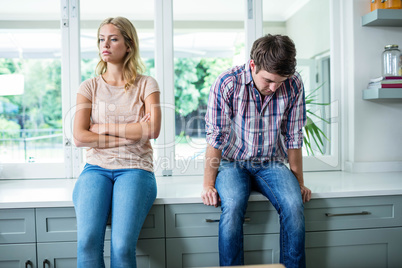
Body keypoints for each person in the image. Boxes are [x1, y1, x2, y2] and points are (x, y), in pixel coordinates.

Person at [201, 34, 312, 268]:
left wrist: (298, 181)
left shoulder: (294, 84)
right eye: (268, 80)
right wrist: (208, 185)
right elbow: (216, 138)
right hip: (232, 162)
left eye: (280, 82)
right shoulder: (227, 83)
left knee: (294, 205)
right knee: (232, 206)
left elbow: (293, 135)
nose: (274, 88)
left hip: (271, 162)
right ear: (253, 65)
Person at [72, 17, 161, 268]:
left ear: (129, 45)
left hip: (136, 169)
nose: (105, 44)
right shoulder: (88, 87)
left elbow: (153, 129)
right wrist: (133, 131)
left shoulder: (147, 84)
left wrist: (102, 129)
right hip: (96, 168)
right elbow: (79, 137)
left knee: (122, 247)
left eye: (113, 38)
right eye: (102, 39)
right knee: (88, 242)